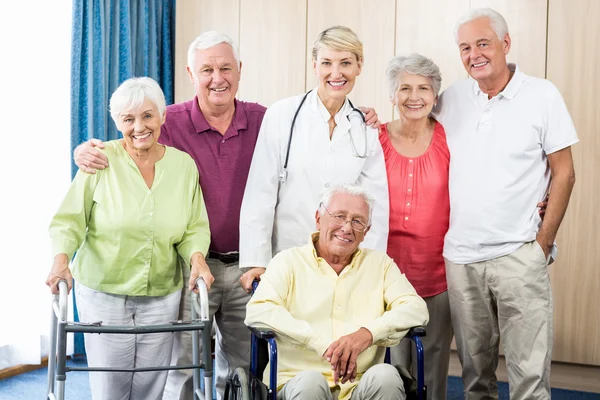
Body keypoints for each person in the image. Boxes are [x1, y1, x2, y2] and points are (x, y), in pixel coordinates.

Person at [74, 30, 379, 400]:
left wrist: (360, 115)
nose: (217, 78)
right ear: (190, 74)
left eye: (225, 68)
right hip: (189, 267)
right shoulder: (167, 121)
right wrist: (84, 151)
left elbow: (319, 130)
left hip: (248, 268)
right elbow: (128, 138)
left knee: (241, 367)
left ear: (239, 71)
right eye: (207, 70)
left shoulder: (266, 120)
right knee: (181, 366)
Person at [433, 8, 578, 399]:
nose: (474, 54)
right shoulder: (451, 99)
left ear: (505, 44)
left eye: (483, 43)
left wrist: (542, 243)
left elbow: (564, 173)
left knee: (529, 379)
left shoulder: (542, 95)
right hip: (462, 259)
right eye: (465, 47)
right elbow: (410, 128)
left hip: (519, 255)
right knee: (475, 377)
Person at [46, 77, 212, 400]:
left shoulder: (183, 167)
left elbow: (194, 226)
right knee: (111, 388)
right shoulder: (99, 159)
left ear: (163, 116)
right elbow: (69, 221)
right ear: (117, 122)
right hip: (105, 293)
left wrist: (197, 259)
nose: (139, 126)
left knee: (152, 386)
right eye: (129, 119)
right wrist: (60, 261)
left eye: (148, 116)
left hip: (161, 293)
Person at [239, 26, 389, 291]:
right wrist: (257, 261)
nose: (336, 73)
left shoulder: (365, 129)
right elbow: (259, 194)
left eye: (345, 63)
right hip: (287, 258)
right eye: (327, 63)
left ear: (359, 66)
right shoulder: (282, 116)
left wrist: (370, 267)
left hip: (344, 266)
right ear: (314, 65)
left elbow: (375, 207)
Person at [245, 184, 429, 400]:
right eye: (339, 216)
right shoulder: (288, 262)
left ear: (365, 232)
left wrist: (367, 334)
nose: (347, 228)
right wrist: (318, 342)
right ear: (318, 218)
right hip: (298, 381)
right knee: (311, 383)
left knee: (387, 376)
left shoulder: (381, 265)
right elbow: (258, 311)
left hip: (360, 382)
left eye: (357, 221)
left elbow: (416, 309)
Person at [379, 53, 452, 400]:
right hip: (385, 269)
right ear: (392, 95)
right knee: (391, 358)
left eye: (423, 88)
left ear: (435, 96)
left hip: (438, 268)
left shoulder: (449, 139)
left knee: (435, 355)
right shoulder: (373, 138)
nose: (414, 96)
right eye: (404, 88)